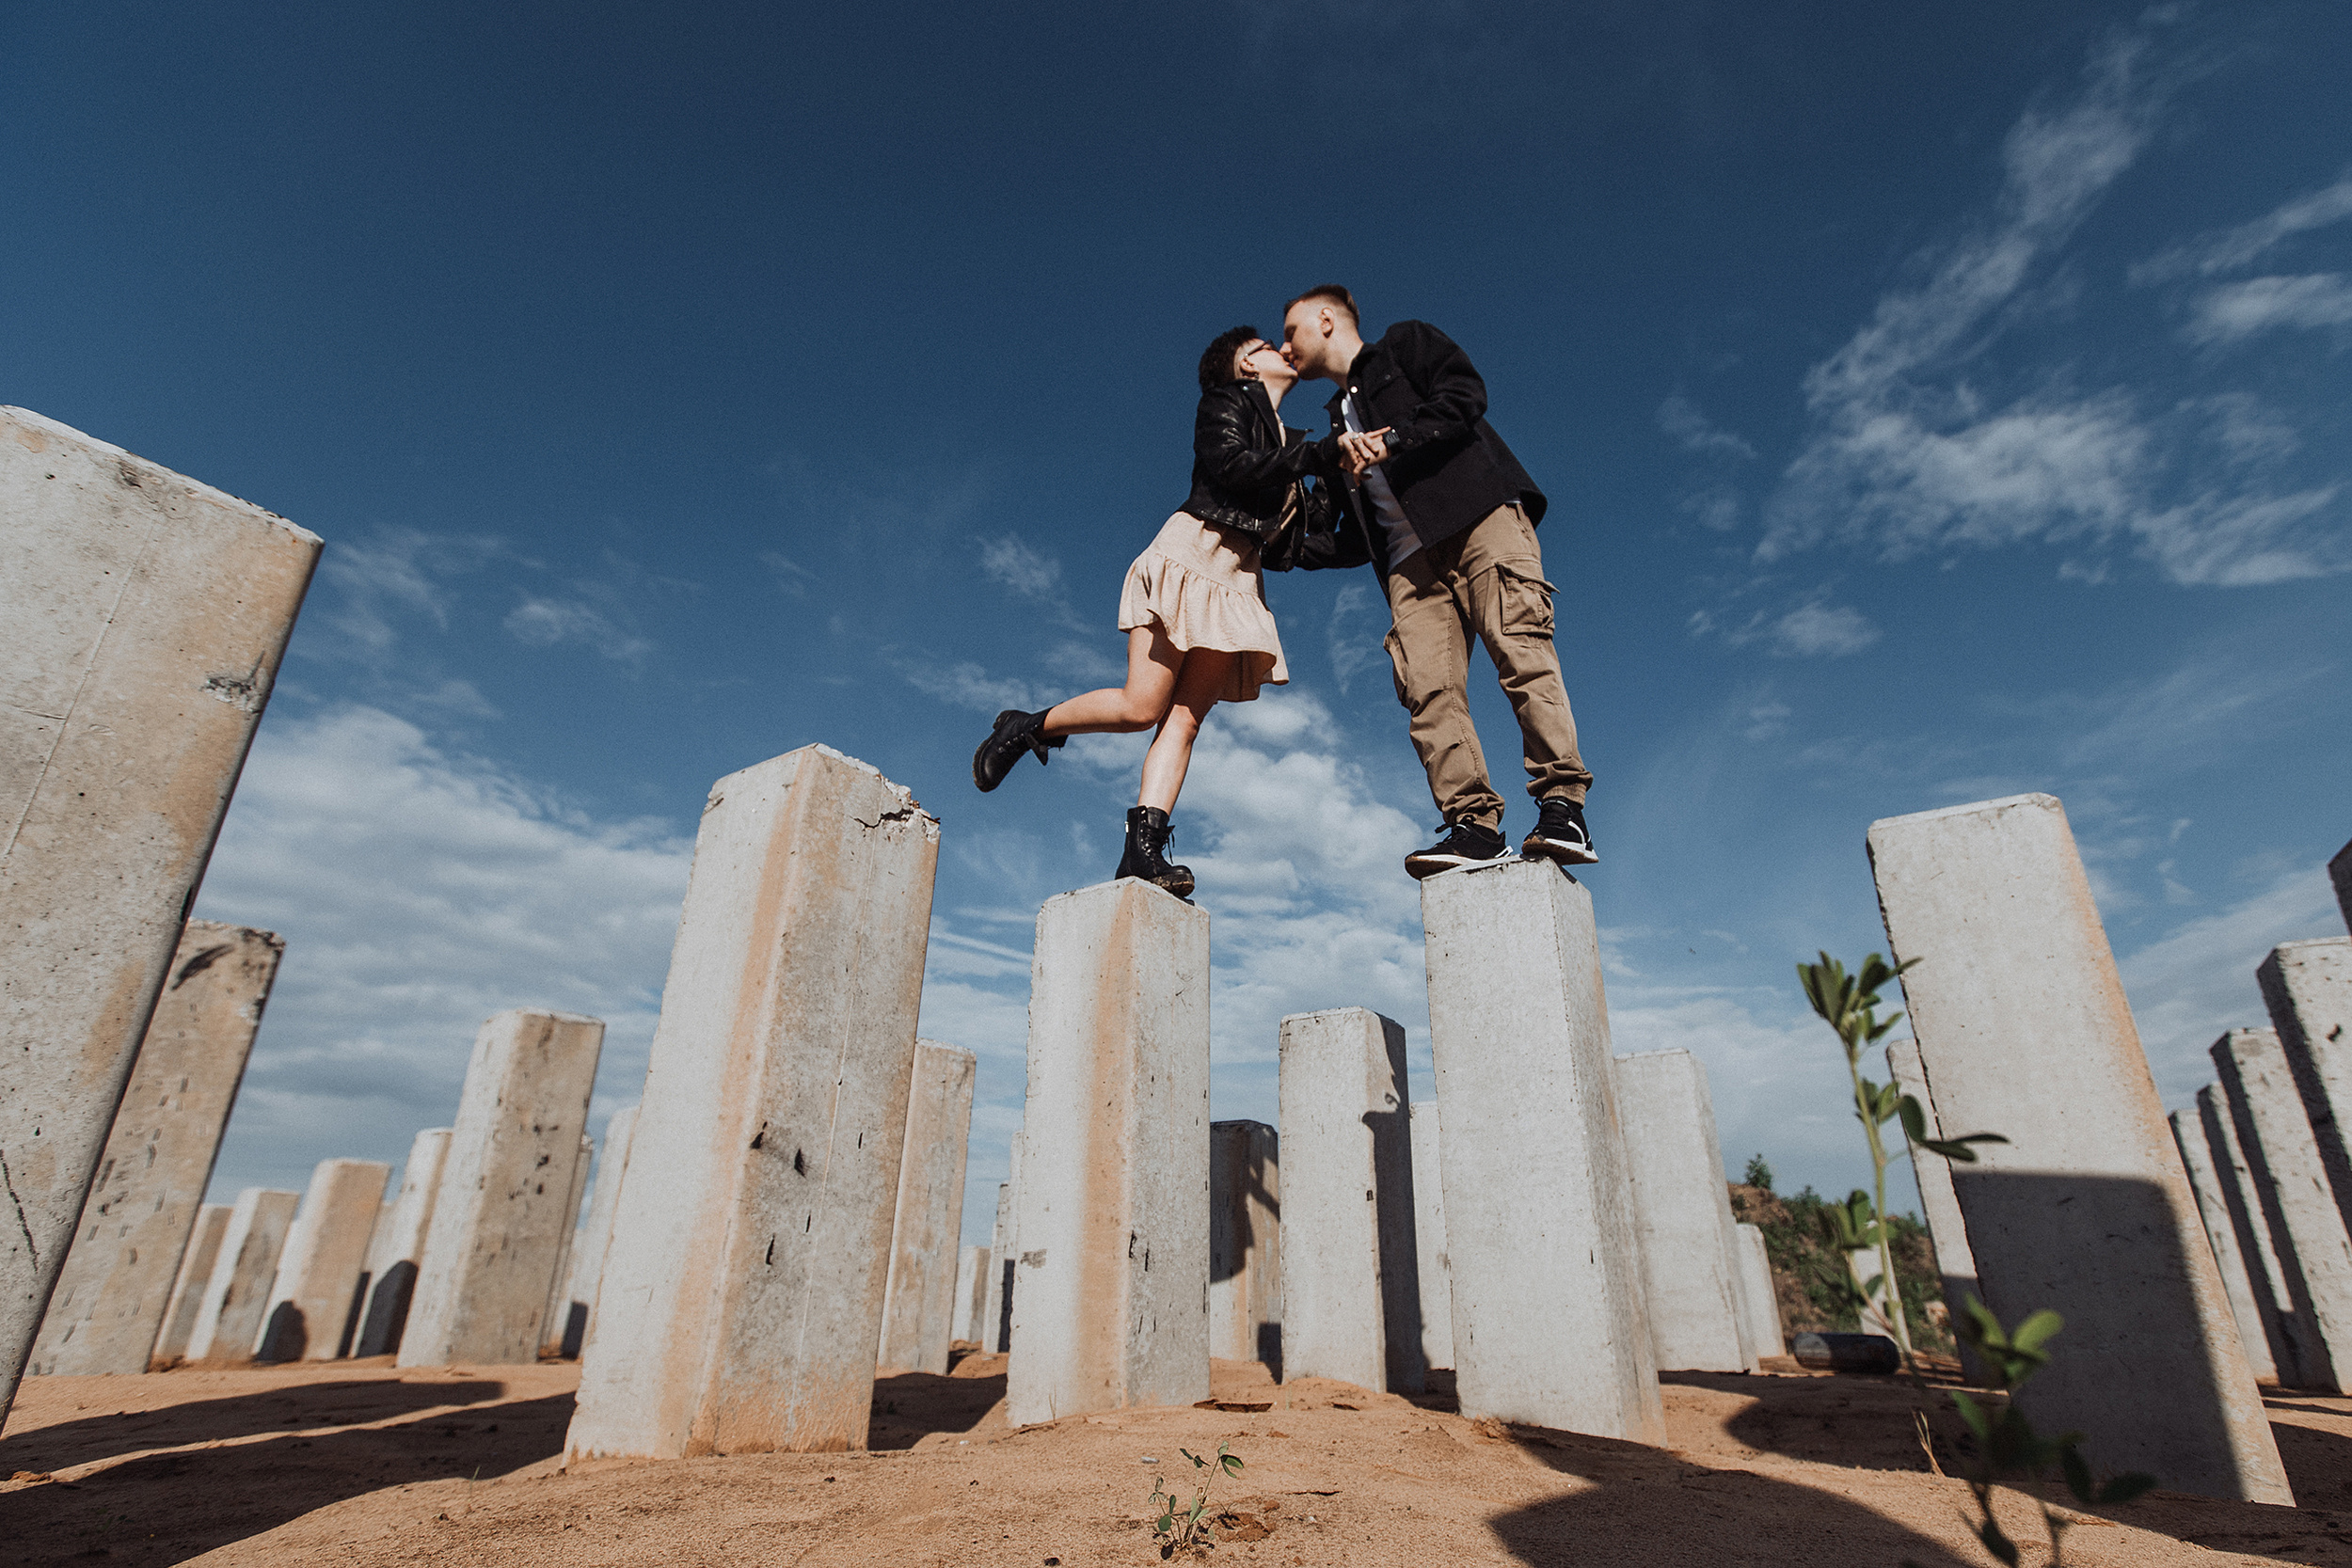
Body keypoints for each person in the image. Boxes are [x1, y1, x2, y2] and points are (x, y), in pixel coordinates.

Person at [970, 325, 1330, 896]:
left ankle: (1142, 853)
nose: (1281, 349)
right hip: (1190, 554)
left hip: (1238, 580)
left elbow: (1304, 544)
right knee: (1142, 706)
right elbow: (1232, 466)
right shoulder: (1226, 403)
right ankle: (1027, 727)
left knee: (1185, 722)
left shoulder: (1293, 441)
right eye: (1264, 345)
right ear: (1245, 367)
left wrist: (1350, 487)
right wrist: (1315, 456)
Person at [1281, 284, 1598, 879]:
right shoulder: (1332, 433)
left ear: (1325, 319)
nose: (1283, 347)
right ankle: (1473, 826)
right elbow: (1349, 537)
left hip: (1478, 518)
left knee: (1521, 653)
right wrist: (1279, 549)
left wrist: (1393, 439)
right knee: (1427, 691)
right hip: (1407, 565)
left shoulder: (1405, 345)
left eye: (1289, 332)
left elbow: (1464, 396)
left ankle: (1563, 806)